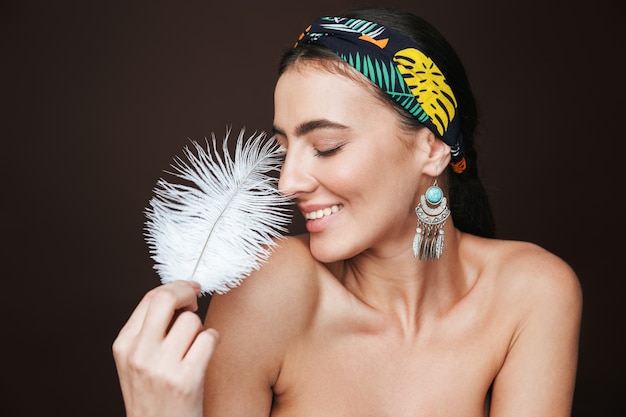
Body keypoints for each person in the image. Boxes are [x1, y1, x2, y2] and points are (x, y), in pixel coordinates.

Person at [113, 7, 582, 417]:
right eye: (284, 148)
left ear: (434, 146)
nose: (288, 182)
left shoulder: (531, 295)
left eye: (327, 146)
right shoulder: (270, 289)